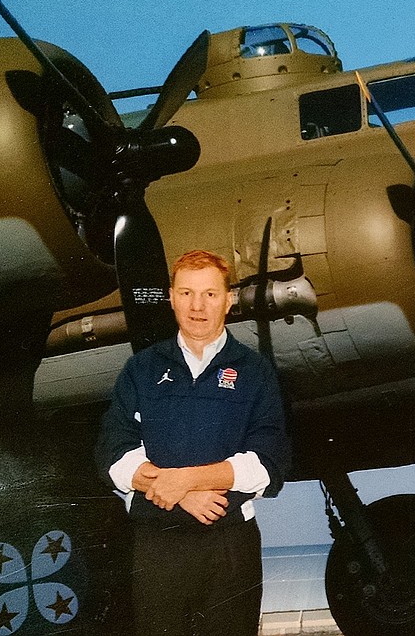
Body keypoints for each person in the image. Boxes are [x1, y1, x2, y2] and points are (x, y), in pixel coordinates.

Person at [96, 250, 290, 636]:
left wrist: (184, 480)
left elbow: (268, 463)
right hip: (157, 546)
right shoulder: (142, 368)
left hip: (230, 545)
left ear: (229, 300)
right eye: (186, 293)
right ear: (170, 297)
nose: (197, 307)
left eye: (210, 294)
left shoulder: (256, 372)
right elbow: (114, 452)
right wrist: (181, 493)